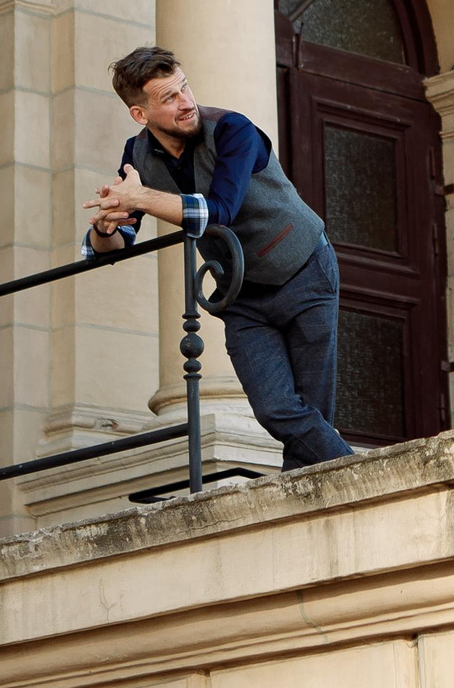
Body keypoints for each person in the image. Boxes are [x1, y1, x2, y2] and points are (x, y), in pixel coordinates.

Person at [87, 45, 354, 469]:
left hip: (305, 270)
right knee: (275, 410)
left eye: (185, 87)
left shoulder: (233, 129)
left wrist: (141, 198)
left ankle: (334, 490)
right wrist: (105, 228)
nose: (187, 102)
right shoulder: (137, 156)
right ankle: (356, 472)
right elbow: (117, 244)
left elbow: (220, 210)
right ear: (140, 114)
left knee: (311, 415)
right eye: (169, 98)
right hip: (243, 296)